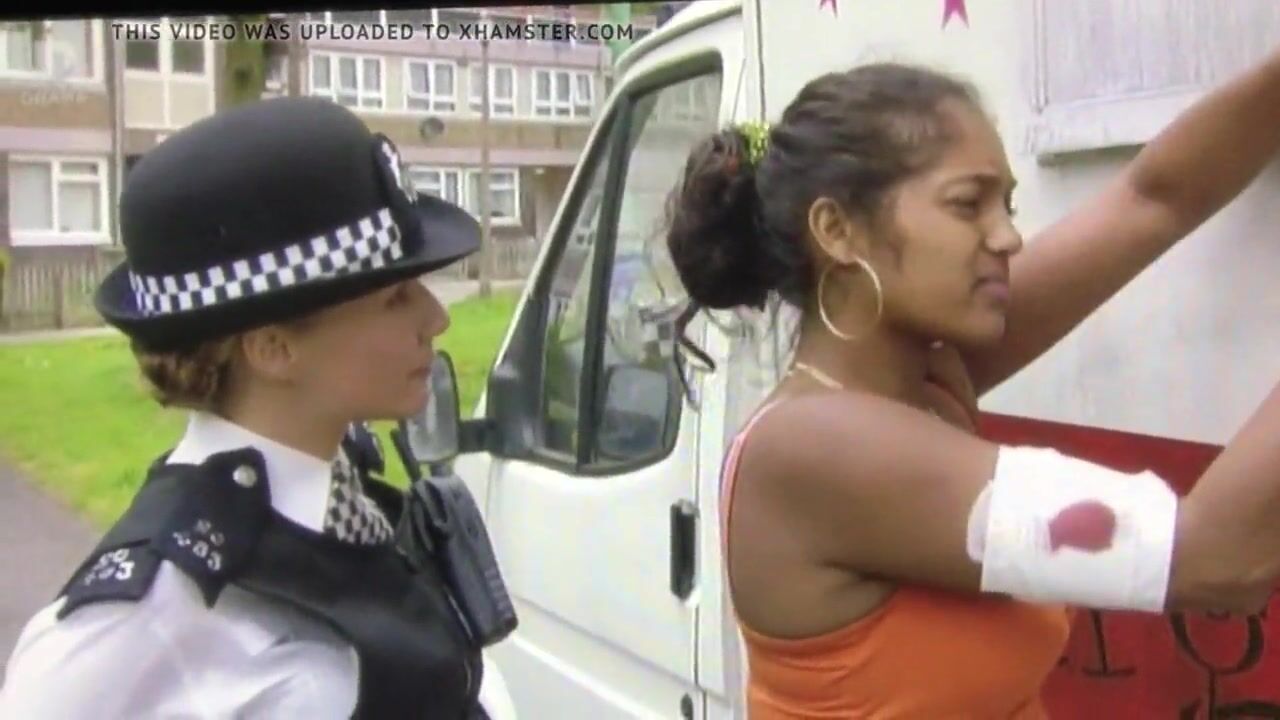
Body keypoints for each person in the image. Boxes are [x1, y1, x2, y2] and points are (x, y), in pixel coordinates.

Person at [665, 50, 1280, 718]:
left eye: (1006, 204)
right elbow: (1217, 558)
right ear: (837, 231)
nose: (1009, 237)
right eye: (968, 205)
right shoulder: (814, 445)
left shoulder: (916, 375)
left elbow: (1152, 201)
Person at [0, 97, 515, 719]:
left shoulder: (360, 506)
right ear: (273, 348)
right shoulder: (136, 626)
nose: (436, 318)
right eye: (395, 297)